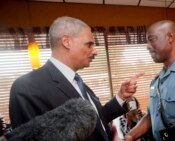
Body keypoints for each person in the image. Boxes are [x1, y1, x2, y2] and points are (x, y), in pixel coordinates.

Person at [9, 16, 144, 141]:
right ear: (66, 42)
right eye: (89, 44)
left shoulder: (78, 83)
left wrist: (121, 96)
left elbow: (96, 121)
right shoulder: (27, 88)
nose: (95, 51)